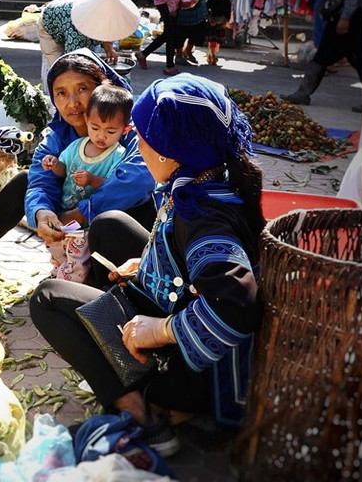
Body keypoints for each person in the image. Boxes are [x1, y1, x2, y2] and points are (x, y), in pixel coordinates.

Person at [29, 74, 264, 454]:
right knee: (109, 224)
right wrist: (149, 264)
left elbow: (237, 305)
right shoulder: (207, 173)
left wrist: (159, 330)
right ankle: (126, 358)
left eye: (143, 138)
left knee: (46, 297)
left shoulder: (204, 219)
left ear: (168, 152)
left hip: (191, 370)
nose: (137, 144)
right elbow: (190, 263)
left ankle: (143, 413)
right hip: (183, 299)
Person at [0, 50, 156, 273]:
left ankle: (110, 283)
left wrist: (82, 213)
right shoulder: (56, 137)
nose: (73, 102)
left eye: (82, 89)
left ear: (101, 89)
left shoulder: (129, 128)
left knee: (112, 220)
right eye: (61, 93)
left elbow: (138, 179)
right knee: (25, 180)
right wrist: (42, 212)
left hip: (124, 226)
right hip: (73, 221)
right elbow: (40, 183)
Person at [40, 85, 133, 282]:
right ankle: (58, 271)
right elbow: (63, 169)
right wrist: (54, 164)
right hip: (65, 215)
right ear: (86, 121)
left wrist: (92, 180)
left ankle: (67, 284)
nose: (101, 136)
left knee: (77, 256)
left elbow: (111, 186)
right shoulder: (77, 146)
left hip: (88, 223)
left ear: (125, 130)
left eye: (110, 131)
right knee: (56, 247)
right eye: (95, 128)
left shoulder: (118, 155)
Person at [37, 0, 138, 84]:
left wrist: (108, 45)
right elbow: (72, 61)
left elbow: (107, 23)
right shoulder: (77, 33)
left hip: (65, 15)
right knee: (61, 72)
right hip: (49, 23)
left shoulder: (102, 8)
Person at [205, 0, 232, 65]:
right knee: (212, 40)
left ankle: (210, 55)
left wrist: (226, 21)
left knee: (218, 40)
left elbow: (228, 11)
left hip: (221, 22)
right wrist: (210, 19)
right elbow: (207, 8)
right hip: (213, 22)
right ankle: (213, 56)